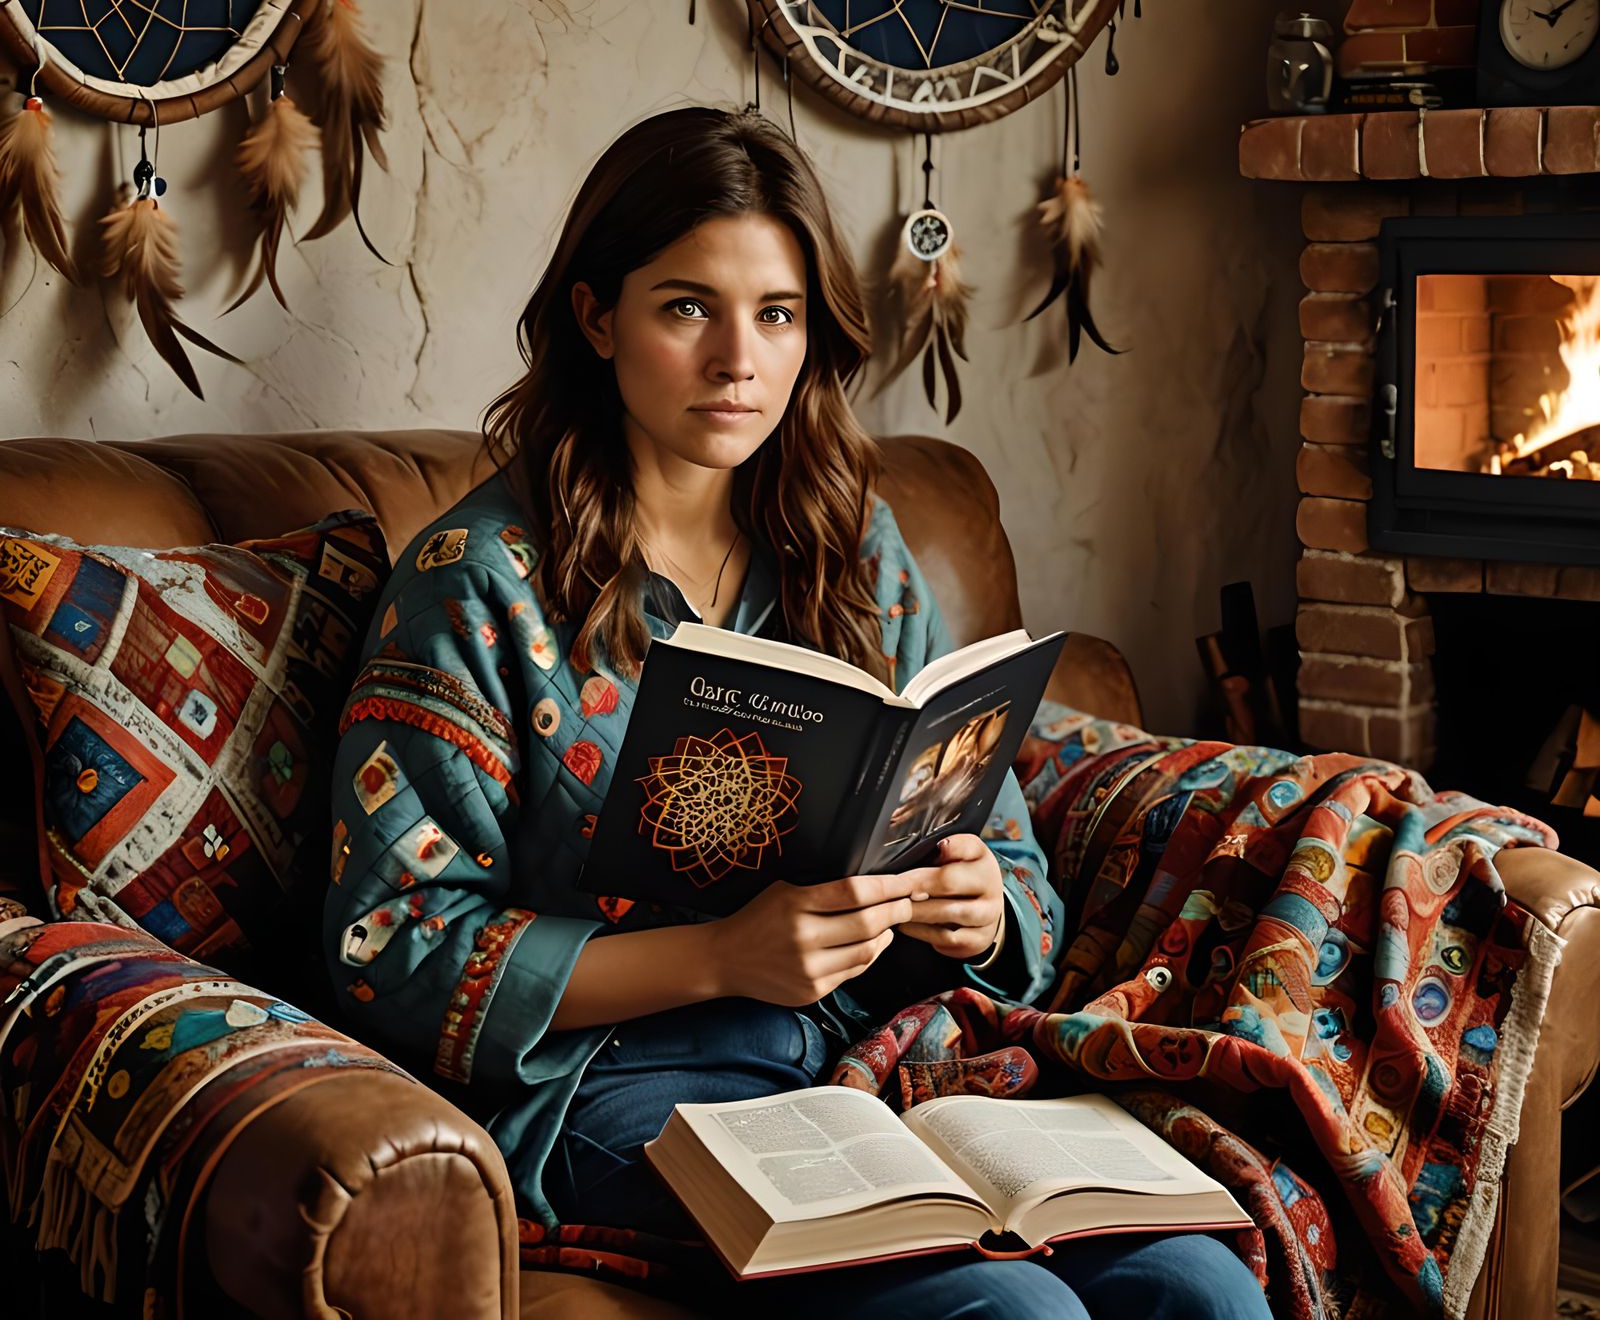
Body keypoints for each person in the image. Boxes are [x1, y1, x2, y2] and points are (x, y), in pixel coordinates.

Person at [322, 104, 1271, 1320]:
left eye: (776, 313)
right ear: (595, 314)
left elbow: (1017, 867)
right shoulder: (479, 580)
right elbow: (388, 941)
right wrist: (721, 955)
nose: (738, 359)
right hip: (616, 1088)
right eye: (685, 307)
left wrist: (979, 910)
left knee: (1197, 1283)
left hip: (870, 1060)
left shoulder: (853, 549)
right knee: (1011, 1317)